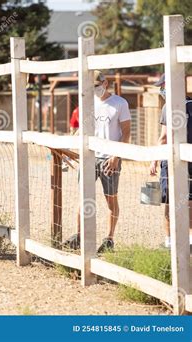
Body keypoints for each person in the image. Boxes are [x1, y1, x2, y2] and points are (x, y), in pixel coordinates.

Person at [63, 70, 131, 253]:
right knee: (83, 197)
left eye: (96, 86)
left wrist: (116, 156)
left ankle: (109, 238)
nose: (94, 89)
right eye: (90, 87)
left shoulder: (119, 103)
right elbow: (80, 130)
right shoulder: (88, 103)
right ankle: (79, 235)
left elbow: (126, 133)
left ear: (105, 83)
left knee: (111, 200)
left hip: (110, 159)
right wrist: (68, 150)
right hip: (89, 157)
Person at [149, 74, 192, 249]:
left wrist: (154, 159)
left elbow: (164, 137)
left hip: (178, 160)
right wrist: (154, 159)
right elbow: (163, 137)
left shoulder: (174, 107)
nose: (162, 90)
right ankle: (180, 241)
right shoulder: (171, 107)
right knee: (180, 200)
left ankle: (175, 241)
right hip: (178, 160)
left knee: (176, 201)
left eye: (164, 86)